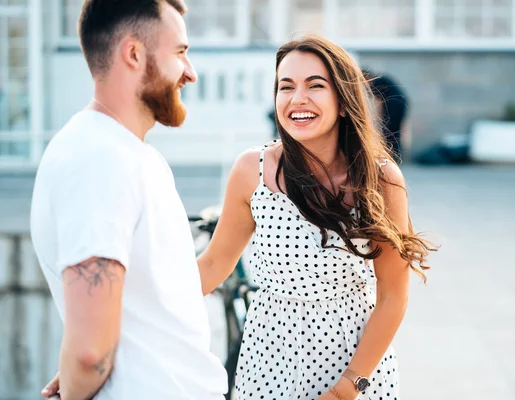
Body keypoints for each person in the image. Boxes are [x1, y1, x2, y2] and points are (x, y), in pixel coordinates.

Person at [197, 35, 434, 400]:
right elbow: (213, 265)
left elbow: (393, 297)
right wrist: (135, 300)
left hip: (353, 363)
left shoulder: (381, 179)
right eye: (285, 87)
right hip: (267, 358)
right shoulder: (252, 169)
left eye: (315, 86)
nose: (297, 99)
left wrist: (348, 387)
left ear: (343, 102)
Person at [30, 1, 227, 399]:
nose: (190, 72)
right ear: (134, 54)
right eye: (180, 53)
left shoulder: (126, 155)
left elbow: (144, 306)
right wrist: (81, 367)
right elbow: (90, 353)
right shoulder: (98, 158)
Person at [363, 70, 410, 164]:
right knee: (395, 132)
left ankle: (392, 157)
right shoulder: (382, 79)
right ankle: (395, 156)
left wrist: (379, 120)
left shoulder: (376, 82)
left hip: (394, 105)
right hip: (401, 104)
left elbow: (380, 102)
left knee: (389, 132)